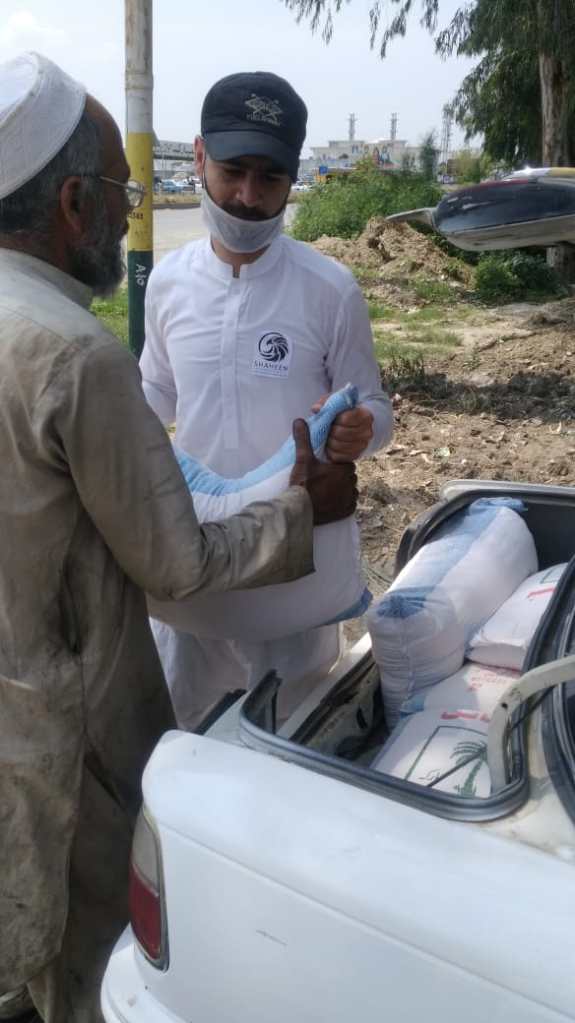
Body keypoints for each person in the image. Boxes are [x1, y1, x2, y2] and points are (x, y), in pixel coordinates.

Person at [0, 53, 357, 1023]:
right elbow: (171, 552)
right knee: (99, 943)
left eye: (268, 176)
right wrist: (301, 508)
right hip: (84, 706)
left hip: (259, 614)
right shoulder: (80, 347)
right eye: (122, 194)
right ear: (73, 202)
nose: (131, 215)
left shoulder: (326, 287)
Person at [141, 71, 393, 729]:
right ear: (200, 157)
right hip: (197, 563)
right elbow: (155, 392)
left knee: (288, 744)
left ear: (293, 177)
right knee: (187, 740)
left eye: (270, 178)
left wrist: (362, 427)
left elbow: (374, 405)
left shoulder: (329, 289)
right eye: (232, 172)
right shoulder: (168, 283)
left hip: (294, 576)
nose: (248, 197)